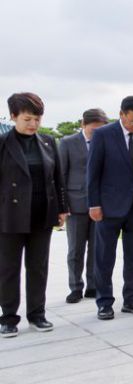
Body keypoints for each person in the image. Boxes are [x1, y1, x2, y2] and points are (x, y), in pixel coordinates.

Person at [0, 92, 67, 337]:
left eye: (37, 119)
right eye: (28, 119)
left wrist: (62, 208)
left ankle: (37, 314)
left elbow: (58, 179)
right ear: (13, 116)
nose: (33, 124)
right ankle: (8, 318)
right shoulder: (3, 143)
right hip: (10, 216)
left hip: (42, 213)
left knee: (38, 267)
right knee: (8, 268)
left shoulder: (49, 142)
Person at [88, 95, 133, 320]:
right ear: (122, 114)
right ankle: (104, 302)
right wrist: (94, 204)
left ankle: (132, 299)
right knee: (105, 257)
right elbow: (93, 173)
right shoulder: (103, 135)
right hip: (108, 207)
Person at [60, 108, 108, 303]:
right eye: (94, 129)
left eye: (101, 129)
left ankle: (93, 285)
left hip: (100, 204)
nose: (98, 133)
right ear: (83, 124)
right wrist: (63, 205)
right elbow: (60, 175)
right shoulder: (67, 143)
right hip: (76, 204)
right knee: (75, 250)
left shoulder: (106, 142)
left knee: (97, 249)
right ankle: (75, 287)